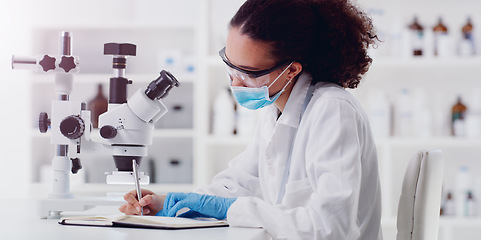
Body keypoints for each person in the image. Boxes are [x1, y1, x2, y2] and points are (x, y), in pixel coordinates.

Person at [119, 0, 382, 239]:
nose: (234, 81)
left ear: (291, 70)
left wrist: (230, 209)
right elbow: (241, 183)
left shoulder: (332, 110)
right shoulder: (276, 108)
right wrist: (173, 202)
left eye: (247, 72)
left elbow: (331, 228)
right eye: (230, 65)